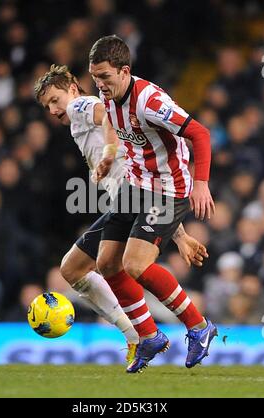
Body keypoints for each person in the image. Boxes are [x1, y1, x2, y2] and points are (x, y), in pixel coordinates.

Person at [34, 64, 209, 371]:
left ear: (72, 89)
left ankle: (186, 327)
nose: (52, 109)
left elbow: (106, 115)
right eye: (47, 105)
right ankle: (140, 335)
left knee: (129, 265)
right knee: (74, 268)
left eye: (55, 99)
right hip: (132, 198)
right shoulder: (77, 119)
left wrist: (109, 152)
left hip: (140, 195)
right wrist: (179, 235)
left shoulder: (81, 105)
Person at [89, 35, 217, 371]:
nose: (99, 84)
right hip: (135, 185)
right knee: (106, 264)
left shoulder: (150, 101)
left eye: (104, 76)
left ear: (125, 71)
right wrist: (109, 154)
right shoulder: (112, 99)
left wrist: (200, 184)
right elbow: (113, 126)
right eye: (94, 77)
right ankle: (149, 336)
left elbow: (200, 133)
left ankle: (199, 327)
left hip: (167, 190)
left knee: (135, 264)